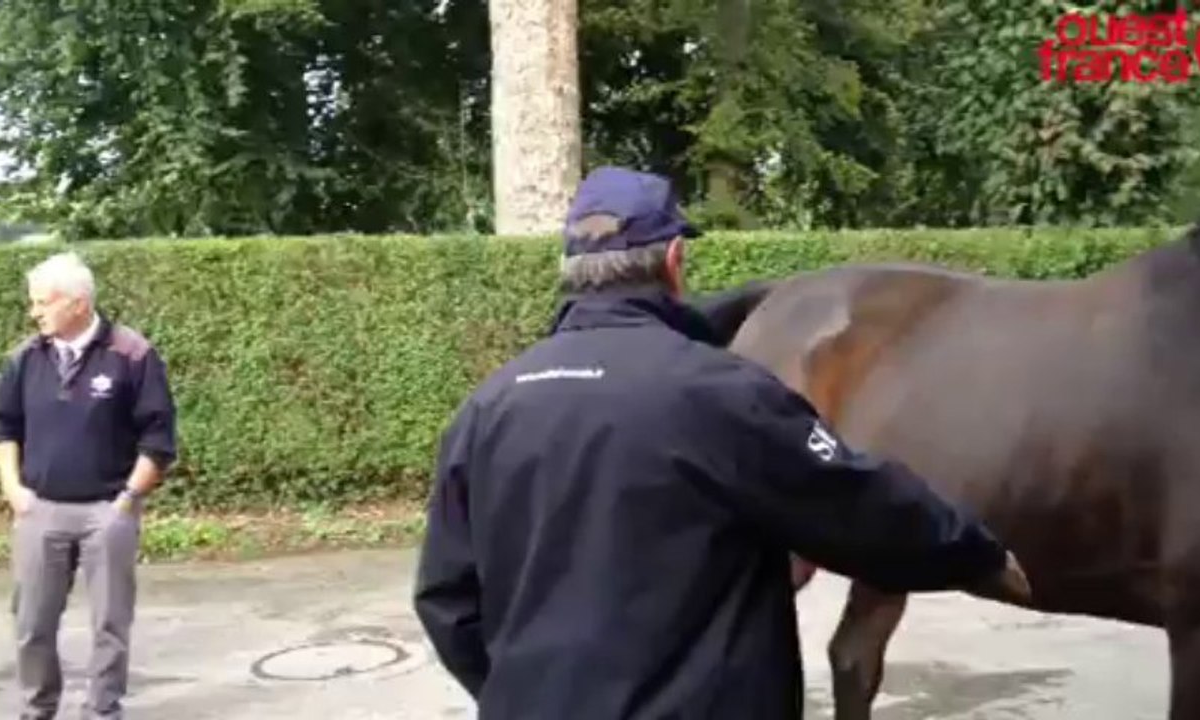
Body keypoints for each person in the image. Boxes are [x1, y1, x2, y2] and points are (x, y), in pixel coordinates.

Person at [413, 166, 1029, 719]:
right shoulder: (723, 394)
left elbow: (446, 598)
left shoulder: (487, 407)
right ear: (674, 260)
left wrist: (519, 695)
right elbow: (852, 500)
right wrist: (972, 553)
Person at [0, 251, 178, 720]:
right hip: (39, 510)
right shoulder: (25, 358)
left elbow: (158, 439)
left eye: (43, 302)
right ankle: (37, 709)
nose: (34, 312)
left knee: (110, 624)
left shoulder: (132, 354)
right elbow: (3, 427)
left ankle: (102, 710)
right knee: (31, 623)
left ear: (77, 303)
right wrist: (14, 490)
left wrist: (127, 501)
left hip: (107, 512)